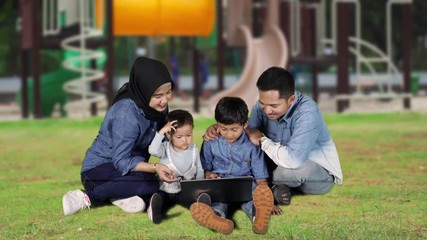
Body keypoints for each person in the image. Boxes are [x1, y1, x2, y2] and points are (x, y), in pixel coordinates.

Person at [204, 67, 343, 207]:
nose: (267, 110)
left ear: (291, 99)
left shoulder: (307, 113)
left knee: (286, 171)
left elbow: (294, 160)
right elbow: (245, 134)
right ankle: (277, 190)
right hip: (278, 168)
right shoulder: (262, 107)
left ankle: (264, 189)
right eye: (262, 103)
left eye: (274, 106)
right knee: (255, 161)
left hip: (316, 174)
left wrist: (263, 141)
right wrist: (218, 128)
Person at [62, 57, 177, 216]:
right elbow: (121, 161)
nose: (165, 100)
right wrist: (156, 168)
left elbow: (159, 142)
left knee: (166, 180)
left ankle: (121, 195)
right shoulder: (125, 113)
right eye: (158, 96)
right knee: (151, 181)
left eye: (169, 92)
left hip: (131, 171)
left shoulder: (158, 106)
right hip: (98, 170)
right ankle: (86, 197)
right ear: (144, 90)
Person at [190, 96, 274, 235]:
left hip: (246, 183)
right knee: (216, 201)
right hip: (220, 183)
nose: (228, 134)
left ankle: (258, 215)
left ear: (245, 124)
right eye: (223, 128)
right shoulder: (210, 141)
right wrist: (208, 174)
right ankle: (218, 219)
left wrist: (266, 194)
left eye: (234, 129)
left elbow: (260, 177)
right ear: (216, 123)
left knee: (254, 196)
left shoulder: (252, 145)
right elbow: (205, 167)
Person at [146, 109, 206, 224]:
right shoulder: (164, 148)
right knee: (161, 198)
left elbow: (199, 169)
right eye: (179, 137)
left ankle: (201, 207)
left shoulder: (193, 149)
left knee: (191, 200)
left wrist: (199, 186)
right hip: (167, 190)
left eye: (188, 135)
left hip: (186, 192)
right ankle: (156, 210)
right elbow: (152, 150)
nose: (185, 140)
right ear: (169, 135)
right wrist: (161, 132)